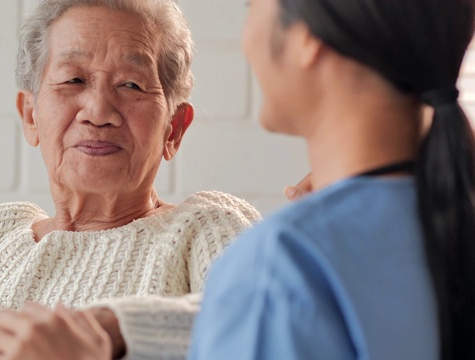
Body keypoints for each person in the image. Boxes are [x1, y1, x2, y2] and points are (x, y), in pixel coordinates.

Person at [0, 1, 261, 359]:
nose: (98, 110)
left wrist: (106, 332)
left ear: (174, 129)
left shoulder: (203, 225)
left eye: (131, 84)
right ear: (30, 116)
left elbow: (265, 316)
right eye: (73, 80)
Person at [189, 0, 475, 359]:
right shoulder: (454, 214)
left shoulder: (280, 264)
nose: (246, 40)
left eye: (252, 6)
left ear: (308, 36)